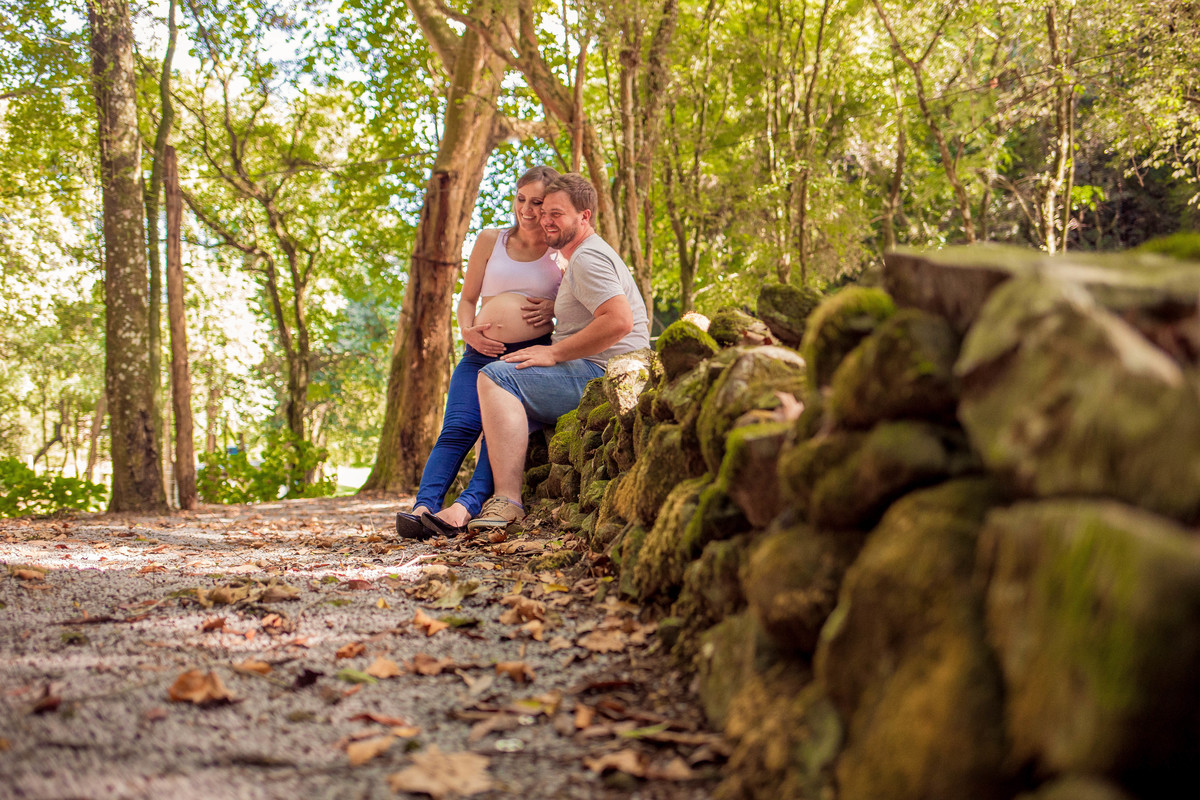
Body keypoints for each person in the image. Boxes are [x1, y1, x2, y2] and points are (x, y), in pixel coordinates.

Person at [468, 173, 650, 530]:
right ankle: (474, 500)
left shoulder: (586, 259)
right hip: (594, 367)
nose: (546, 220)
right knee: (486, 419)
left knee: (495, 378)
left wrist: (553, 353)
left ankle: (507, 501)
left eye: (558, 214)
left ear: (584, 217)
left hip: (601, 371)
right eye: (544, 211)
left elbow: (618, 321)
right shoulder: (579, 256)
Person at [395, 165, 563, 540]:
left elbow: (572, 307)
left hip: (525, 356)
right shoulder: (491, 239)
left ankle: (464, 508)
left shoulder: (559, 254)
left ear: (551, 204)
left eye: (537, 202)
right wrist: (467, 330)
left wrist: (552, 311)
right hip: (478, 351)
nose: (527, 209)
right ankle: (423, 507)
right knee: (456, 428)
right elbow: (467, 299)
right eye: (521, 199)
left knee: (496, 433)